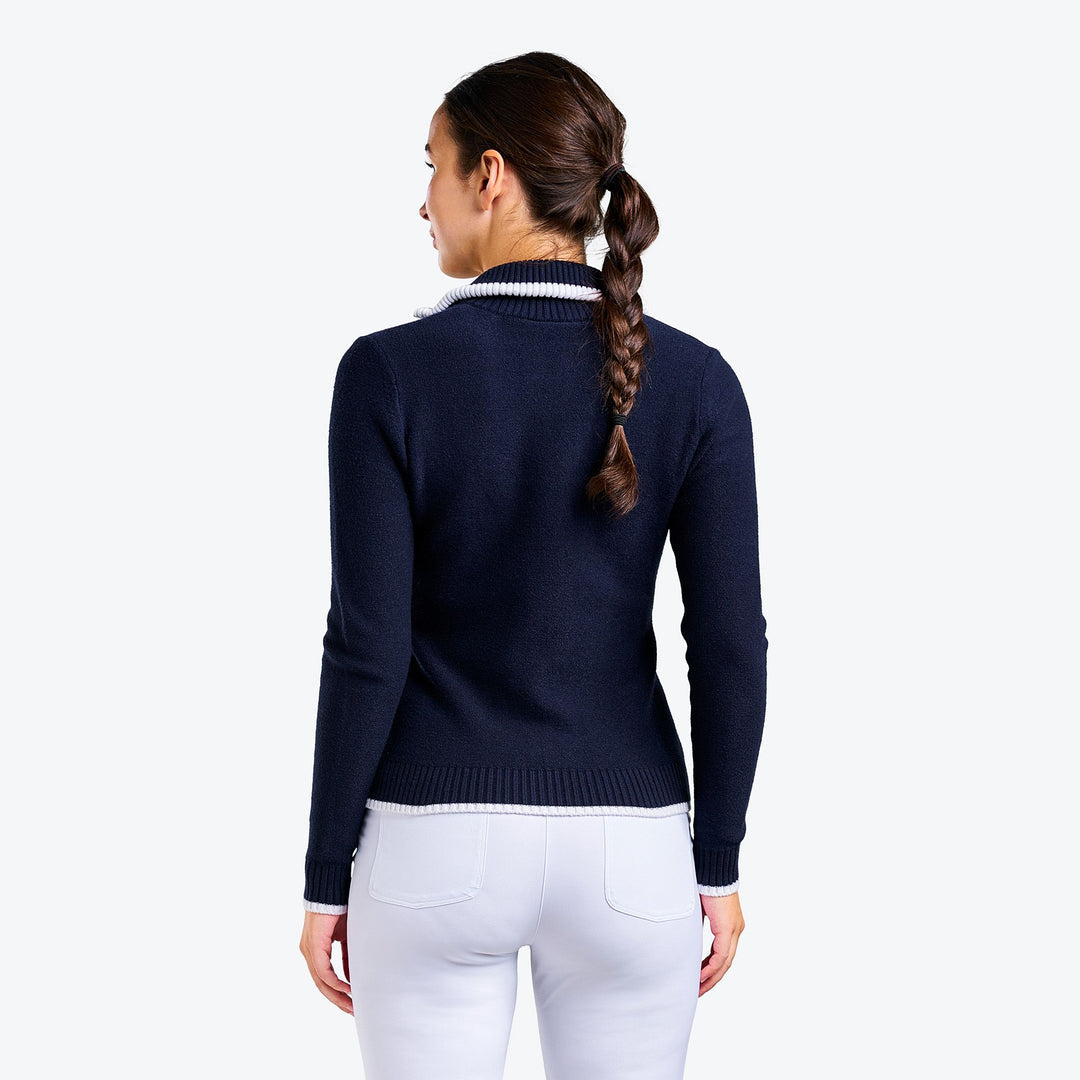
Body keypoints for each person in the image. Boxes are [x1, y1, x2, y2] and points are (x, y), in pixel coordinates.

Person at [297, 50, 768, 1080]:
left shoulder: (387, 374)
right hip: (631, 852)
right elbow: (730, 643)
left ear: (491, 175)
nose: (423, 200)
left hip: (431, 842)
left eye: (432, 166)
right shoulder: (698, 381)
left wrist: (325, 873)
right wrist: (718, 861)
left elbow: (367, 646)